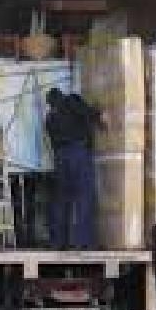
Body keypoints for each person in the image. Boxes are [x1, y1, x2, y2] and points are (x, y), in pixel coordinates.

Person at [45, 88, 101, 250]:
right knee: (84, 197)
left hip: (61, 158)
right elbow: (89, 114)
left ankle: (59, 242)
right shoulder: (71, 101)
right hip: (78, 153)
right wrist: (99, 114)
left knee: (62, 200)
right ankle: (83, 242)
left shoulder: (49, 119)